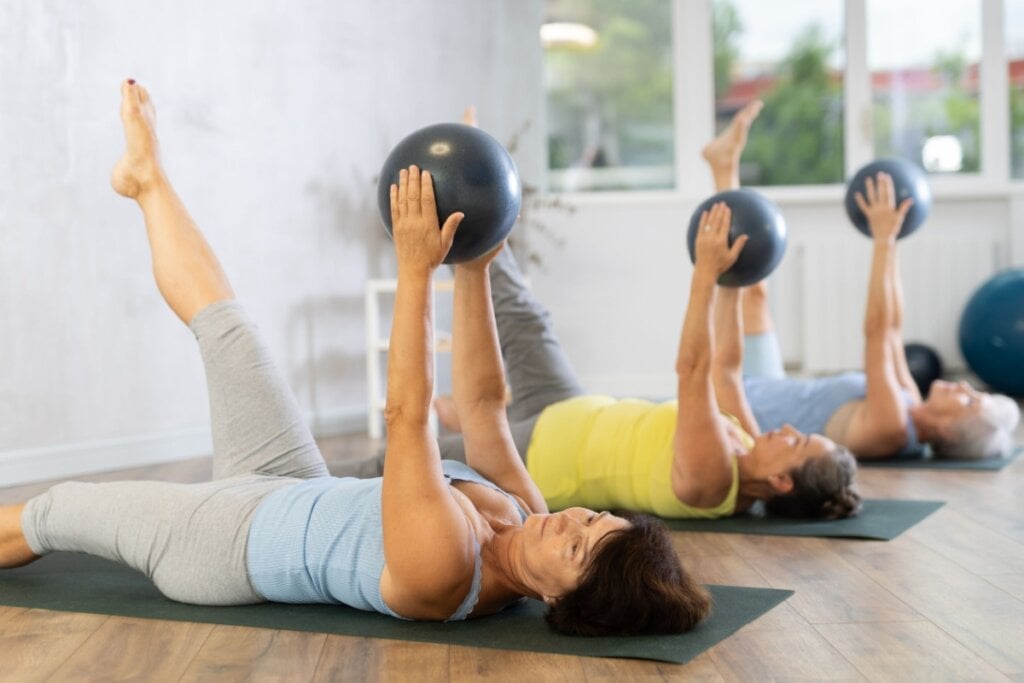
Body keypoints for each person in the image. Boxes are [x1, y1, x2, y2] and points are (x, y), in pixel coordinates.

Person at [0, 81, 712, 637]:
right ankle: (146, 179)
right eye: (593, 519)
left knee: (56, 509)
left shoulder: (446, 571)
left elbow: (407, 420)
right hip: (288, 481)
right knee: (230, 328)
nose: (569, 522)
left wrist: (413, 273)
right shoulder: (521, 511)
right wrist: (472, 271)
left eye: (580, 549)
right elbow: (490, 406)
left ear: (564, 601)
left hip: (221, 542)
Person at [344, 103, 861, 520]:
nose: (788, 429)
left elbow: (694, 371)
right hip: (569, 405)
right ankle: (473, 181)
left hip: (541, 454)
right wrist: (730, 284)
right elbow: (727, 366)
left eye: (796, 443)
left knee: (406, 459)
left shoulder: (713, 479)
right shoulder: (745, 438)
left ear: (780, 481)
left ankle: (305, 480)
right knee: (526, 318)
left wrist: (703, 277)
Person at [727, 136, 1021, 463]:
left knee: (738, 284)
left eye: (969, 402)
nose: (964, 388)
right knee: (754, 289)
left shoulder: (892, 428)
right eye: (973, 392)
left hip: (736, 410)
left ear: (949, 431)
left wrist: (883, 238)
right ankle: (725, 168)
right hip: (765, 383)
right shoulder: (909, 402)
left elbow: (877, 334)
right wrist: (890, 242)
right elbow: (893, 330)